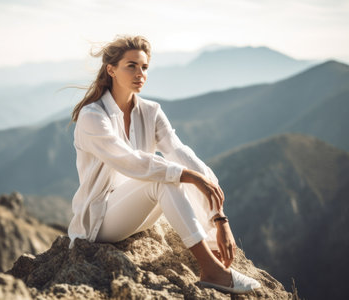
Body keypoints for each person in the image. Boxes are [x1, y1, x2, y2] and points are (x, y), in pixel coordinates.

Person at [68, 35, 261, 294]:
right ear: (111, 69)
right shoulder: (92, 116)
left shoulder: (151, 110)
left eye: (144, 67)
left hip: (140, 210)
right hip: (102, 219)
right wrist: (188, 176)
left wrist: (219, 217)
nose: (140, 73)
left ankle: (213, 252)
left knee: (175, 172)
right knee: (167, 177)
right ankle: (212, 271)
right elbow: (129, 160)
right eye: (131, 66)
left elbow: (180, 152)